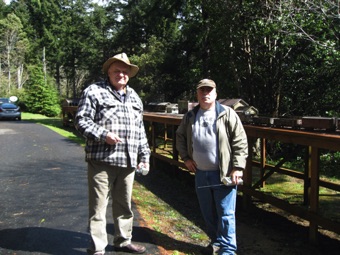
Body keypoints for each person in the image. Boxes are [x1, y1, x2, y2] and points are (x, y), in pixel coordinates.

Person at [75, 53, 151, 255]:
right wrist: (103, 134)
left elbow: (140, 130)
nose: (121, 74)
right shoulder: (94, 91)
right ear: (108, 72)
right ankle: (98, 248)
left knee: (124, 205)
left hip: (128, 162)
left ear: (130, 75)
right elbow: (81, 121)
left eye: (125, 71)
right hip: (102, 160)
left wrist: (145, 156)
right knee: (99, 207)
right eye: (117, 70)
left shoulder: (135, 97)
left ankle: (123, 241)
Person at [176, 79, 248, 255]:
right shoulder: (191, 115)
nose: (205, 93)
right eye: (202, 90)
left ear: (216, 94)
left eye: (209, 90)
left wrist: (238, 167)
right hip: (201, 173)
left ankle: (228, 250)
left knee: (226, 214)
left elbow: (240, 141)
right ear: (197, 94)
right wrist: (185, 158)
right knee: (208, 213)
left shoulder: (227, 113)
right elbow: (179, 137)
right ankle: (215, 243)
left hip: (223, 174)